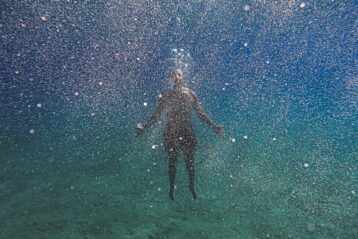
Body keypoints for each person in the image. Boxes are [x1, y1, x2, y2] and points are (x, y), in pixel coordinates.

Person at [135, 69, 224, 200]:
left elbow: (200, 113)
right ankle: (171, 189)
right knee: (172, 161)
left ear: (184, 78)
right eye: (174, 75)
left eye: (179, 74)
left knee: (190, 161)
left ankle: (191, 186)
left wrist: (214, 126)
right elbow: (157, 115)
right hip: (171, 131)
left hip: (187, 130)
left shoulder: (190, 94)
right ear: (171, 79)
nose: (176, 77)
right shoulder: (166, 94)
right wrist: (145, 128)